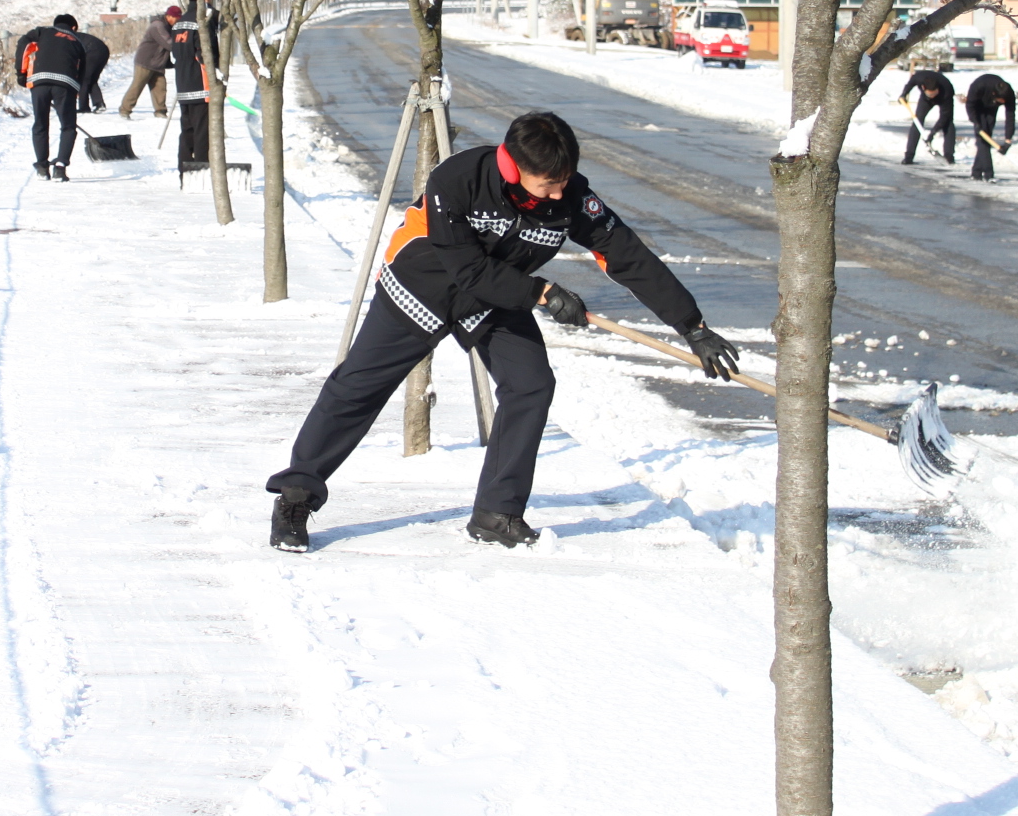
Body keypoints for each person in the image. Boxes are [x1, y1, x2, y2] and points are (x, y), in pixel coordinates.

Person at [266, 110, 740, 553]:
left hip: (497, 295)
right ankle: (296, 496)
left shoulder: (572, 196)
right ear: (514, 168)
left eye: (564, 181)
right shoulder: (456, 179)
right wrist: (543, 292)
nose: (558, 194)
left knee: (531, 385)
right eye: (548, 184)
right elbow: (466, 268)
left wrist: (692, 326)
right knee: (358, 387)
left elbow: (627, 254)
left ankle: (497, 512)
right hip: (423, 284)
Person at [14, 13, 87, 180]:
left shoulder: (42, 32)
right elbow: (82, 72)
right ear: (73, 27)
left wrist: (21, 72)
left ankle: (42, 167)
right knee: (68, 126)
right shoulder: (78, 42)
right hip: (66, 85)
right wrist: (74, 92)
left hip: (39, 82)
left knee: (40, 124)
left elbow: (23, 44)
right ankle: (60, 167)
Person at [171, 7, 215, 165]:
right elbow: (205, 54)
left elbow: (174, 53)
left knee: (187, 131)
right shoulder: (201, 23)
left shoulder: (178, 25)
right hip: (200, 85)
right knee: (202, 132)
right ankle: (201, 169)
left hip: (183, 84)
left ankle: (184, 169)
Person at [120, 5, 178, 118]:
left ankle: (160, 111)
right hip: (146, 61)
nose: (177, 21)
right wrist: (184, 48)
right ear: (169, 16)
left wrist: (168, 63)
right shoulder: (158, 26)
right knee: (137, 86)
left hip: (158, 63)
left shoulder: (167, 26)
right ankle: (125, 110)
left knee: (160, 87)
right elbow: (168, 43)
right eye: (176, 18)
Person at [899, 66, 957, 164]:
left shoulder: (947, 89)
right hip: (925, 100)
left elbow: (944, 117)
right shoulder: (918, 77)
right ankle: (909, 156)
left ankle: (949, 156)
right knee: (917, 122)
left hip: (944, 99)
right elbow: (910, 84)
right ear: (923, 88)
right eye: (931, 94)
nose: (933, 97)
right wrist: (904, 94)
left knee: (948, 123)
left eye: (934, 94)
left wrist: (932, 133)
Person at [965, 72, 1017, 181]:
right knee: (982, 139)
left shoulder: (1009, 93)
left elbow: (1010, 116)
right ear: (994, 94)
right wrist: (975, 122)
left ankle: (976, 172)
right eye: (1000, 101)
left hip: (991, 108)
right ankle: (989, 174)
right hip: (977, 106)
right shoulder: (979, 86)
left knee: (987, 137)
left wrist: (1008, 139)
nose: (1003, 103)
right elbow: (970, 104)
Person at [76, 24, 111, 113]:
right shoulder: (67, 36)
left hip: (93, 51)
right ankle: (99, 104)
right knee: (91, 79)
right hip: (103, 50)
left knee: (84, 78)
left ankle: (84, 107)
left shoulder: (64, 39)